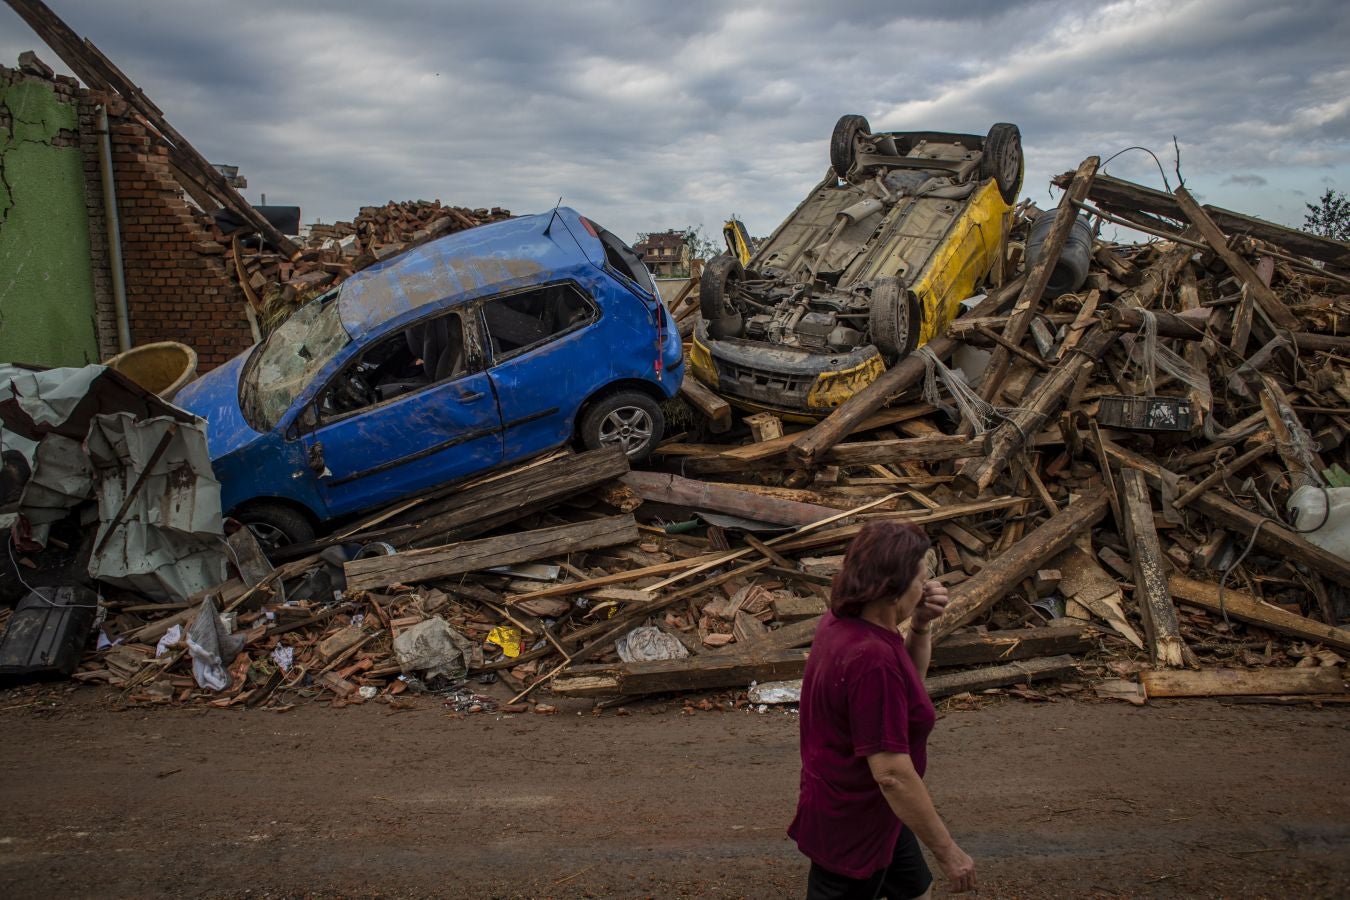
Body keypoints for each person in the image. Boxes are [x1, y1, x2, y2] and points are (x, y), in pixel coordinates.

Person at [788, 520, 976, 899]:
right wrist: (948, 852)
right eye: (921, 579)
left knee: (915, 892)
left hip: (881, 811)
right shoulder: (871, 659)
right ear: (893, 590)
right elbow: (891, 773)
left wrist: (920, 625)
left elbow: (907, 689)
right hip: (855, 822)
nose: (927, 587)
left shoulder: (845, 622)